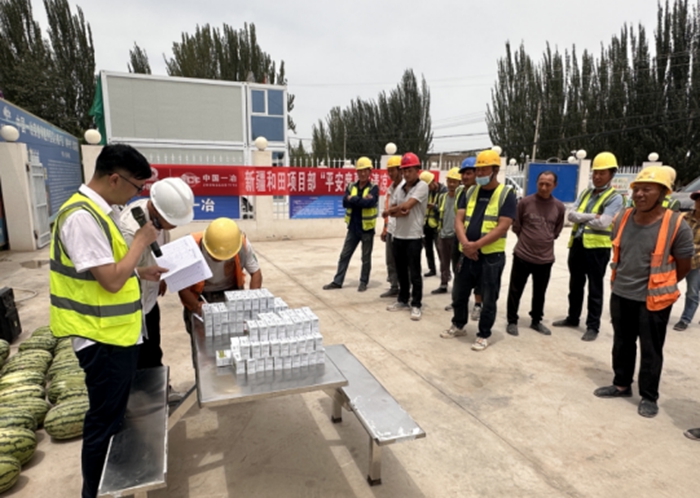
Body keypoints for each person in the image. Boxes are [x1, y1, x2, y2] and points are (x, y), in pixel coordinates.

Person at [49, 144, 167, 498]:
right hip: (102, 341)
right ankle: (95, 493)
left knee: (115, 419)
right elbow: (111, 281)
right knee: (103, 424)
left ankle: (113, 485)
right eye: (136, 186)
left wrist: (140, 272)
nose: (136, 195)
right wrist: (141, 243)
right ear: (115, 179)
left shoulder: (100, 213)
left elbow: (109, 271)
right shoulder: (81, 218)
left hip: (116, 336)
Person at [593, 166, 693, 418]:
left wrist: (662, 285)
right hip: (621, 292)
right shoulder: (623, 218)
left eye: (647, 189)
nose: (639, 194)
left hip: (654, 300)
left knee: (651, 350)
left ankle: (649, 396)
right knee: (622, 343)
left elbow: (683, 265)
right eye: (636, 189)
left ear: (663, 193)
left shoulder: (676, 225)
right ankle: (621, 384)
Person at [120, 177, 194, 402]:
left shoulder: (157, 221)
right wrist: (142, 273)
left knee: (153, 350)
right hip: (129, 308)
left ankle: (159, 392)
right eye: (172, 221)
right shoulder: (129, 230)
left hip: (149, 301)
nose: (174, 226)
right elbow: (117, 274)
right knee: (133, 358)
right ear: (157, 210)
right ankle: (137, 402)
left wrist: (161, 278)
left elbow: (160, 250)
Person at [440, 149, 517, 351]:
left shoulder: (506, 194)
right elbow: (459, 220)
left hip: (491, 257)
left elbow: (503, 226)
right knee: (459, 293)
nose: (480, 173)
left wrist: (476, 245)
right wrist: (466, 244)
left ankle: (483, 334)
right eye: (478, 170)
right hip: (467, 254)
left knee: (489, 298)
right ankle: (458, 324)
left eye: (484, 169)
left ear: (495, 170)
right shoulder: (469, 192)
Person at [553, 151, 624, 341]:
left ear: (612, 174)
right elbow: (571, 215)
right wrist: (593, 216)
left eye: (602, 173)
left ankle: (593, 326)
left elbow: (604, 223)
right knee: (575, 285)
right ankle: (573, 317)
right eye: (595, 173)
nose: (597, 176)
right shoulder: (585, 193)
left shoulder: (615, 198)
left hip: (598, 249)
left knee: (595, 288)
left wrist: (583, 217)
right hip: (577, 244)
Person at [506, 171, 565, 337]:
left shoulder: (559, 207)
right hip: (522, 255)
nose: (544, 187)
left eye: (548, 184)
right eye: (541, 183)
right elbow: (517, 227)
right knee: (515, 290)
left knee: (540, 292)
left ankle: (536, 320)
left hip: (545, 258)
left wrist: (543, 240)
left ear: (554, 185)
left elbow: (556, 230)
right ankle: (512, 320)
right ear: (536, 183)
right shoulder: (525, 203)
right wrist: (528, 241)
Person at [179, 217, 262, 331]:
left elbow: (256, 273)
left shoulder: (240, 243)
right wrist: (195, 305)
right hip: (200, 296)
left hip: (231, 293)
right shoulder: (190, 246)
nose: (218, 260)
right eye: (214, 256)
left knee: (236, 333)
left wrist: (252, 300)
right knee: (203, 335)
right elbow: (182, 287)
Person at [323, 157, 379, 292]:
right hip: (353, 228)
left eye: (365, 170)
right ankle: (337, 281)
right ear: (357, 172)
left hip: (367, 229)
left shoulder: (374, 188)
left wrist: (352, 199)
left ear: (370, 171)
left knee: (365, 258)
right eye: (360, 171)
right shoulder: (351, 186)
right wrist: (360, 200)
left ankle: (363, 282)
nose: (362, 173)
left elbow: (369, 203)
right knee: (344, 255)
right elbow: (345, 202)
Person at [386, 152, 429, 321]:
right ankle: (403, 299)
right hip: (398, 235)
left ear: (418, 170)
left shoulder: (422, 186)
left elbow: (407, 206)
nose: (406, 174)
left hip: (414, 236)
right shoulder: (400, 188)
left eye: (409, 170)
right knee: (401, 271)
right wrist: (396, 210)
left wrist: (392, 211)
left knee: (414, 272)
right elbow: (396, 209)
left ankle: (416, 304)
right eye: (404, 170)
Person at [445, 157, 484, 316]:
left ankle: (478, 304)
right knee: (459, 271)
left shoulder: (482, 192)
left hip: (477, 240)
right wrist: (463, 241)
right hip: (460, 239)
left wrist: (472, 244)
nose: (465, 177)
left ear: (476, 174)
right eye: (464, 174)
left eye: (469, 173)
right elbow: (458, 218)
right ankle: (458, 301)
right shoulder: (460, 192)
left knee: (478, 274)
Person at [431, 167, 461, 294]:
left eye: (454, 181)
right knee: (444, 262)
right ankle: (443, 284)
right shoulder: (442, 197)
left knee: (456, 264)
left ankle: (458, 288)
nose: (451, 184)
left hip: (456, 236)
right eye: (449, 181)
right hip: (443, 234)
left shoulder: (462, 198)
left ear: (459, 183)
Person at [673, 189, 700, 331]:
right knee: (666, 286)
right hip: (678, 260)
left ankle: (685, 319)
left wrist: (689, 251)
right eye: (698, 200)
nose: (699, 203)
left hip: (697, 263)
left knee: (692, 292)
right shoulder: (683, 217)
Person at [380, 155, 403, 298]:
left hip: (402, 231)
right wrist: (385, 229)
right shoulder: (390, 189)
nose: (390, 173)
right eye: (388, 171)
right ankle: (394, 286)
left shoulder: (406, 188)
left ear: (400, 170)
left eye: (392, 170)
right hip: (391, 230)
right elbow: (387, 210)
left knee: (403, 262)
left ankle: (405, 289)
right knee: (390, 260)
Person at [422, 171, 446, 278]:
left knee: (440, 250)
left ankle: (444, 272)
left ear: (433, 181)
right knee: (428, 249)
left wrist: (434, 207)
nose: (427, 188)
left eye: (428, 185)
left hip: (437, 225)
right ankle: (432, 269)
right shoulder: (427, 192)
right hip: (426, 224)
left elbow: (445, 209)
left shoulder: (444, 191)